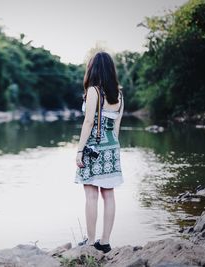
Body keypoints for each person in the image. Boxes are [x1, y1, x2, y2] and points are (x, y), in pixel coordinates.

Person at [74, 51, 124, 253]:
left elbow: (88, 123)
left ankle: (90, 242)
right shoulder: (119, 94)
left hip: (94, 148)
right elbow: (117, 126)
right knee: (109, 195)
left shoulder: (94, 91)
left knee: (91, 196)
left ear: (92, 69)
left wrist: (79, 151)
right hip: (112, 148)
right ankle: (105, 242)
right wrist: (112, 151)